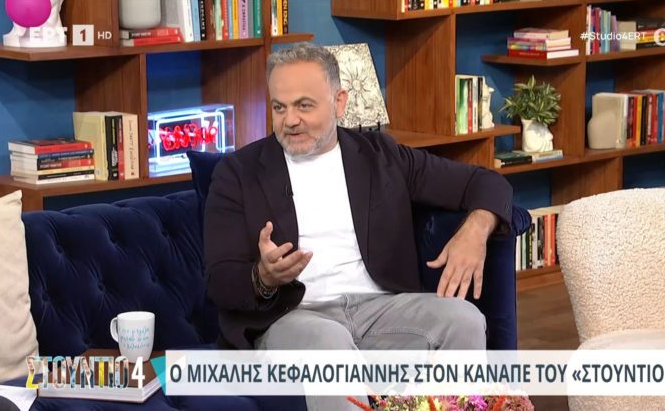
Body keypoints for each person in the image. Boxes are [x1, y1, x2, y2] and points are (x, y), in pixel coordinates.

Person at [203, 42, 513, 410]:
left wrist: (475, 231)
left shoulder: (382, 157)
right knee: (328, 346)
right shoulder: (238, 173)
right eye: (279, 107)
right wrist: (263, 277)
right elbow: (219, 281)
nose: (290, 120)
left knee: (464, 320)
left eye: (304, 105)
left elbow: (488, 183)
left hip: (381, 311)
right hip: (294, 318)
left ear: (339, 102)